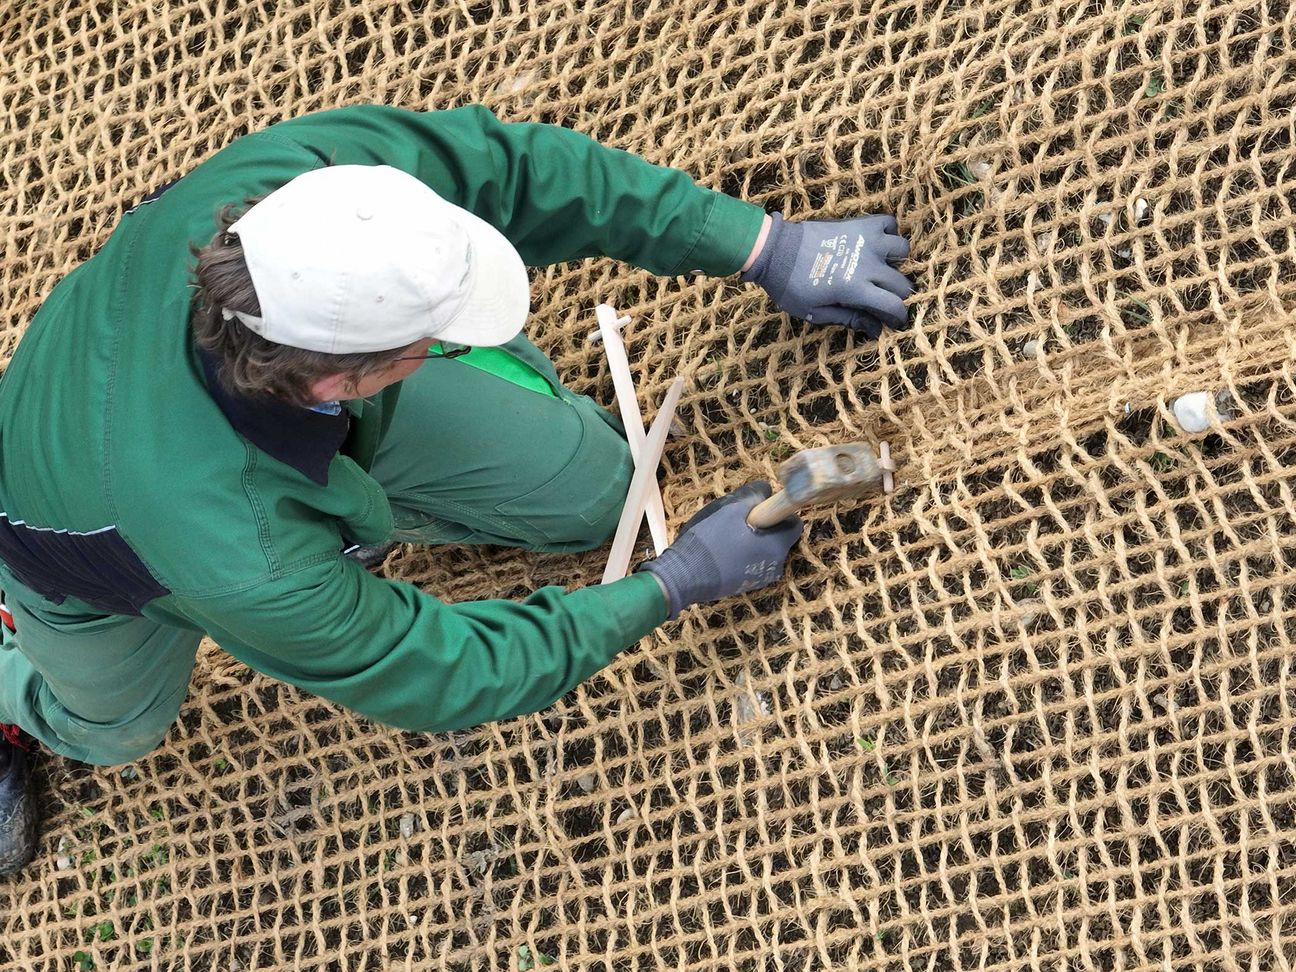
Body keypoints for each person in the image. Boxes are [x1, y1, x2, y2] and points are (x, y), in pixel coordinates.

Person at [0, 104, 913, 874]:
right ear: (340, 378)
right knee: (114, 734)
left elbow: (515, 168)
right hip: (75, 549)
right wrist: (671, 584)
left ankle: (385, 466)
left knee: (597, 492)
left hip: (197, 414)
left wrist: (763, 245)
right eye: (434, 333)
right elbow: (444, 669)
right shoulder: (247, 558)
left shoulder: (314, 192)